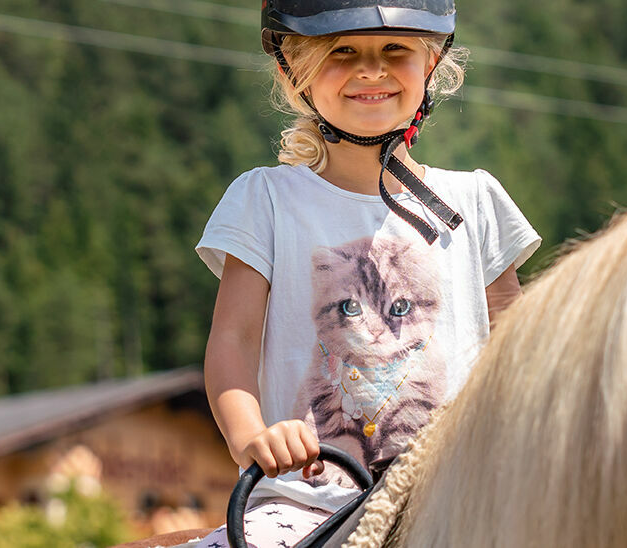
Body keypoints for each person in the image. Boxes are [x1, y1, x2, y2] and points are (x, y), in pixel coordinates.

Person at [192, 0, 540, 545]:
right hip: (305, 500)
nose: (371, 70)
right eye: (342, 51)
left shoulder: (475, 200)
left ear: (430, 63)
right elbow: (232, 339)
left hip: (460, 497)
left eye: (395, 50)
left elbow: (522, 351)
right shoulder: (266, 200)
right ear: (295, 70)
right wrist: (253, 440)